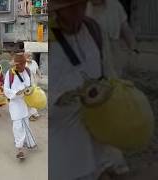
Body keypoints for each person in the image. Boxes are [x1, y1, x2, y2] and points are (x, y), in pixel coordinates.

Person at [50, 0, 129, 179]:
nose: (77, 11)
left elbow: (109, 73)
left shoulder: (93, 30)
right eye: (69, 7)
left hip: (96, 132)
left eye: (81, 4)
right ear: (57, 11)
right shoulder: (44, 38)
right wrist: (58, 98)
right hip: (60, 143)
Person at [86, 0, 138, 77]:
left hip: (114, 58)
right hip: (90, 58)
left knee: (114, 85)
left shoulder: (115, 5)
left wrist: (134, 49)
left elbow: (125, 29)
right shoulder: (82, 8)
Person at [4, 53, 37, 159]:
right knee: (17, 125)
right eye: (19, 65)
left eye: (23, 64)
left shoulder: (27, 71)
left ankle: (28, 142)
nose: (22, 66)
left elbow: (32, 85)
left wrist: (30, 91)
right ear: (16, 64)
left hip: (25, 102)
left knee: (25, 123)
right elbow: (6, 90)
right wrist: (16, 93)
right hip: (15, 103)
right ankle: (20, 149)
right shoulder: (10, 74)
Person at [25, 53, 42, 121]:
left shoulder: (34, 62)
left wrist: (40, 75)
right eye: (28, 56)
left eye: (31, 56)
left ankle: (34, 113)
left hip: (34, 84)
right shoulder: (24, 64)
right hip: (27, 85)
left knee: (34, 98)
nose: (30, 57)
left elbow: (37, 70)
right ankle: (29, 116)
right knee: (28, 100)